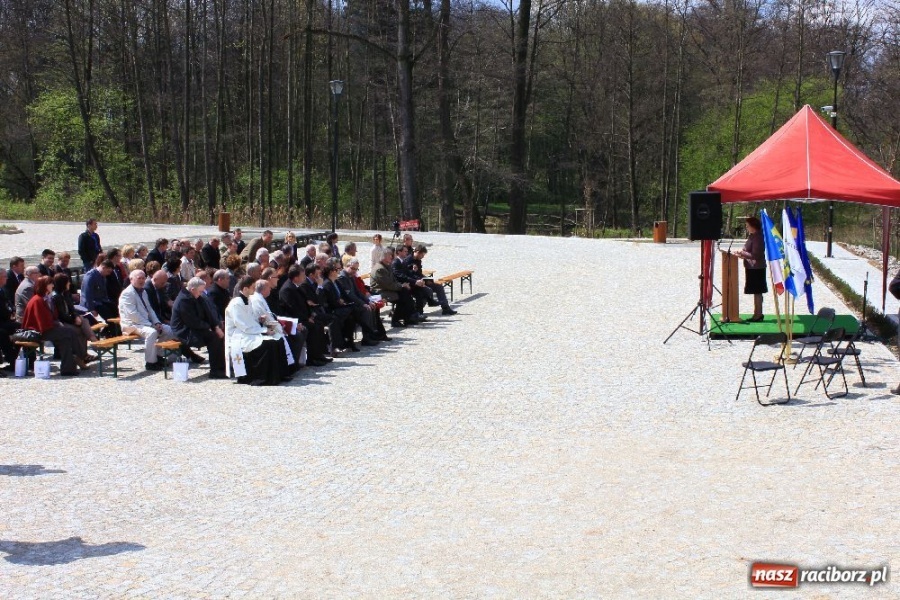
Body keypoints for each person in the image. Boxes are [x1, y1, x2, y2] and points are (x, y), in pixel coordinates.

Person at [225, 276, 287, 385]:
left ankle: (279, 376)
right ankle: (263, 378)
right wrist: (264, 330)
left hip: (249, 331)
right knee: (269, 344)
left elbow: (250, 319)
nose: (254, 290)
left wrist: (259, 320)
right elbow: (243, 325)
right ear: (245, 289)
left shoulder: (247, 300)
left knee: (278, 339)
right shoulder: (236, 303)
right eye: (253, 287)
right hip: (239, 335)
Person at [22, 276, 84, 376]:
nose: (53, 285)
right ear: (44, 286)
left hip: (48, 328)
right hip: (39, 331)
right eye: (50, 284)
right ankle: (81, 355)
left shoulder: (47, 298)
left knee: (65, 340)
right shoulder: (37, 300)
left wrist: (57, 324)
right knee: (69, 331)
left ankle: (68, 369)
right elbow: (41, 321)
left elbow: (53, 316)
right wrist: (57, 325)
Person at [118, 270, 178, 371]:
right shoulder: (127, 294)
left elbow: (150, 309)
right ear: (131, 279)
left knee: (169, 330)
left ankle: (158, 356)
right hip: (131, 324)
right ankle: (150, 362)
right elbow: (132, 315)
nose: (142, 280)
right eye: (139, 278)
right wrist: (151, 324)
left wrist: (157, 322)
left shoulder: (143, 291)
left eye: (143, 278)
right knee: (152, 332)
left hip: (144, 323)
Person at [171, 277, 227, 378]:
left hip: (196, 327)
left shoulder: (196, 296)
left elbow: (208, 313)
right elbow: (192, 321)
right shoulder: (184, 300)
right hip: (184, 331)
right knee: (213, 338)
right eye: (200, 291)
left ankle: (222, 367)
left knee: (219, 334)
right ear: (193, 289)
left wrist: (215, 326)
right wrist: (209, 328)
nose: (201, 293)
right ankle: (216, 371)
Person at [51, 272, 98, 359]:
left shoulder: (65, 294)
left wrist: (76, 316)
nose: (69, 283)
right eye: (67, 282)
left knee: (83, 321)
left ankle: (85, 353)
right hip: (61, 322)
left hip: (69, 319)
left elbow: (72, 309)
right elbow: (61, 315)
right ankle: (92, 345)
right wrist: (74, 320)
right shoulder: (56, 297)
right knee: (80, 329)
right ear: (63, 283)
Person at [370, 247, 418, 327]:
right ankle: (396, 320)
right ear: (384, 257)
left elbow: (393, 281)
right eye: (390, 255)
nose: (392, 257)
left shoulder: (387, 266)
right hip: (380, 291)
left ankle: (407, 318)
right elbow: (388, 284)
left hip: (388, 289)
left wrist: (403, 285)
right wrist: (402, 286)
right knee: (402, 296)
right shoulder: (380, 269)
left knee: (405, 292)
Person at [732, 216, 767, 322]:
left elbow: (756, 254)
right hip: (751, 267)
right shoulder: (752, 236)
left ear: (753, 226)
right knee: (755, 291)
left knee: (757, 291)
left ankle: (758, 314)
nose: (746, 227)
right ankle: (756, 313)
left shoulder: (758, 237)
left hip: (757, 268)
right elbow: (748, 250)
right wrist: (741, 253)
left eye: (748, 226)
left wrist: (742, 253)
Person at [407, 244, 457, 315]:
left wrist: (427, 279)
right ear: (418, 252)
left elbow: (419, 273)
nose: (423, 257)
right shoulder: (408, 260)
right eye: (422, 255)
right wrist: (420, 280)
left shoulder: (418, 260)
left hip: (421, 281)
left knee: (439, 287)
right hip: (413, 283)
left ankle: (445, 308)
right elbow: (408, 274)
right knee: (427, 291)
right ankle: (419, 310)